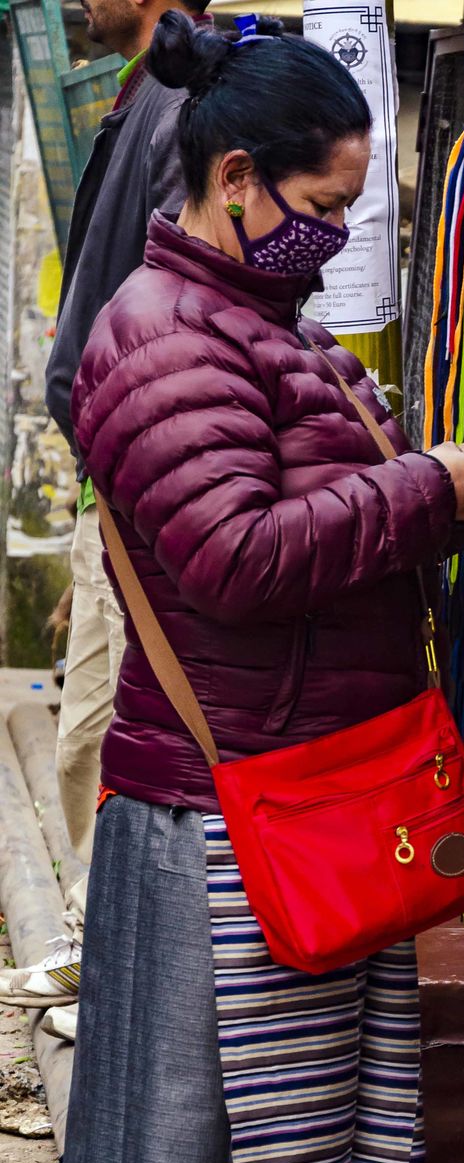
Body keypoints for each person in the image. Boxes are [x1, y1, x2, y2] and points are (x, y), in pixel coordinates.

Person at [26, 12, 464, 1163]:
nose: (337, 237)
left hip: (300, 795)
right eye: (325, 206)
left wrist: (397, 475)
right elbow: (230, 558)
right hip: (213, 818)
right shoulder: (165, 336)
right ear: (237, 179)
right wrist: (421, 490)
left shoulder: (248, 318)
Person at [0, 0, 207, 1034]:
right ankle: (101, 940)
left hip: (137, 478)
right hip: (108, 475)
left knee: (121, 737)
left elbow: (171, 304)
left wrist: (128, 455)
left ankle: (125, 967)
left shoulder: (183, 103)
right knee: (90, 733)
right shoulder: (142, 93)